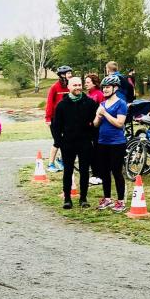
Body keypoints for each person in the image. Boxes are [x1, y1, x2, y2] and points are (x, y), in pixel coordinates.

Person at [52, 77, 98, 209]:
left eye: (79, 85)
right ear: (68, 87)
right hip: (68, 143)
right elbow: (56, 126)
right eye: (74, 85)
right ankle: (67, 199)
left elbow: (96, 123)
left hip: (85, 142)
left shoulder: (90, 103)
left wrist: (93, 139)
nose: (77, 87)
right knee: (68, 170)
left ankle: (83, 198)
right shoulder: (62, 105)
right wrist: (59, 142)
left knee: (84, 171)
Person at [93, 75, 128, 212]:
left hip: (117, 143)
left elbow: (120, 123)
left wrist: (105, 114)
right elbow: (96, 124)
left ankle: (121, 201)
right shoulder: (102, 104)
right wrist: (98, 116)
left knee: (116, 172)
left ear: (115, 88)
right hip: (102, 142)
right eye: (104, 87)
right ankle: (107, 198)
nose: (105, 90)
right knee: (104, 172)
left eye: (108, 87)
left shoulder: (121, 103)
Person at [45, 65, 73, 172]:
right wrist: (48, 118)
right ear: (62, 75)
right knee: (57, 142)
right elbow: (49, 103)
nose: (70, 75)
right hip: (55, 119)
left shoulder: (70, 87)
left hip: (67, 119)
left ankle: (61, 160)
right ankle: (50, 164)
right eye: (68, 73)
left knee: (67, 140)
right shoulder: (55, 87)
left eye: (70, 73)